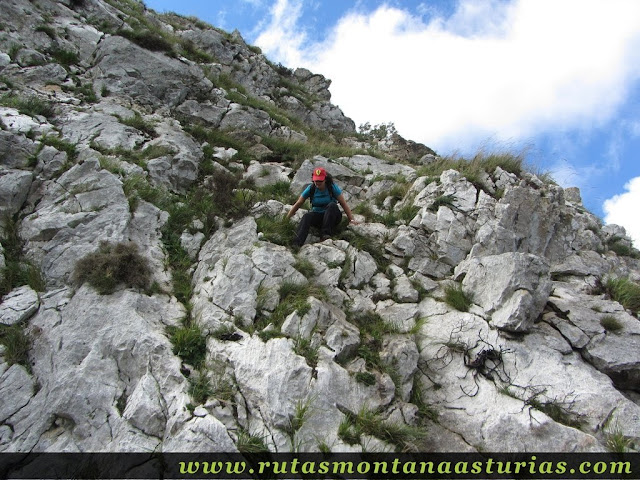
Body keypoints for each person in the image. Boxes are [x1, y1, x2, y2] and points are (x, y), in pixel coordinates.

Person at [286, 167, 358, 247]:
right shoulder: (311, 188)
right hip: (319, 217)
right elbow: (298, 203)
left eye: (320, 181)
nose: (317, 183)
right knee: (307, 216)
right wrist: (287, 218)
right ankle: (296, 243)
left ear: (325, 179)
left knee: (332, 205)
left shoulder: (332, 187)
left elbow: (343, 204)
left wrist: (351, 219)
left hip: (333, 217)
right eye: (316, 180)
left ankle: (326, 235)